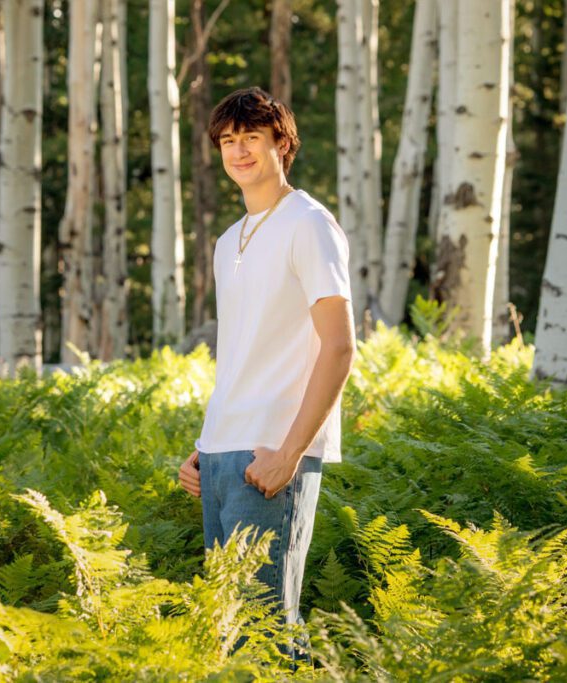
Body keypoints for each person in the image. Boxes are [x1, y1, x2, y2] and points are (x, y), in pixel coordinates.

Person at [177, 86, 355, 663]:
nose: (239, 151)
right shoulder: (229, 239)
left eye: (252, 137)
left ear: (282, 142)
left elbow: (339, 346)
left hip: (273, 455)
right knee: (227, 633)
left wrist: (290, 453)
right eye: (228, 140)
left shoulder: (309, 223)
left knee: (267, 633)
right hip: (223, 455)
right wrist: (206, 444)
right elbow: (241, 354)